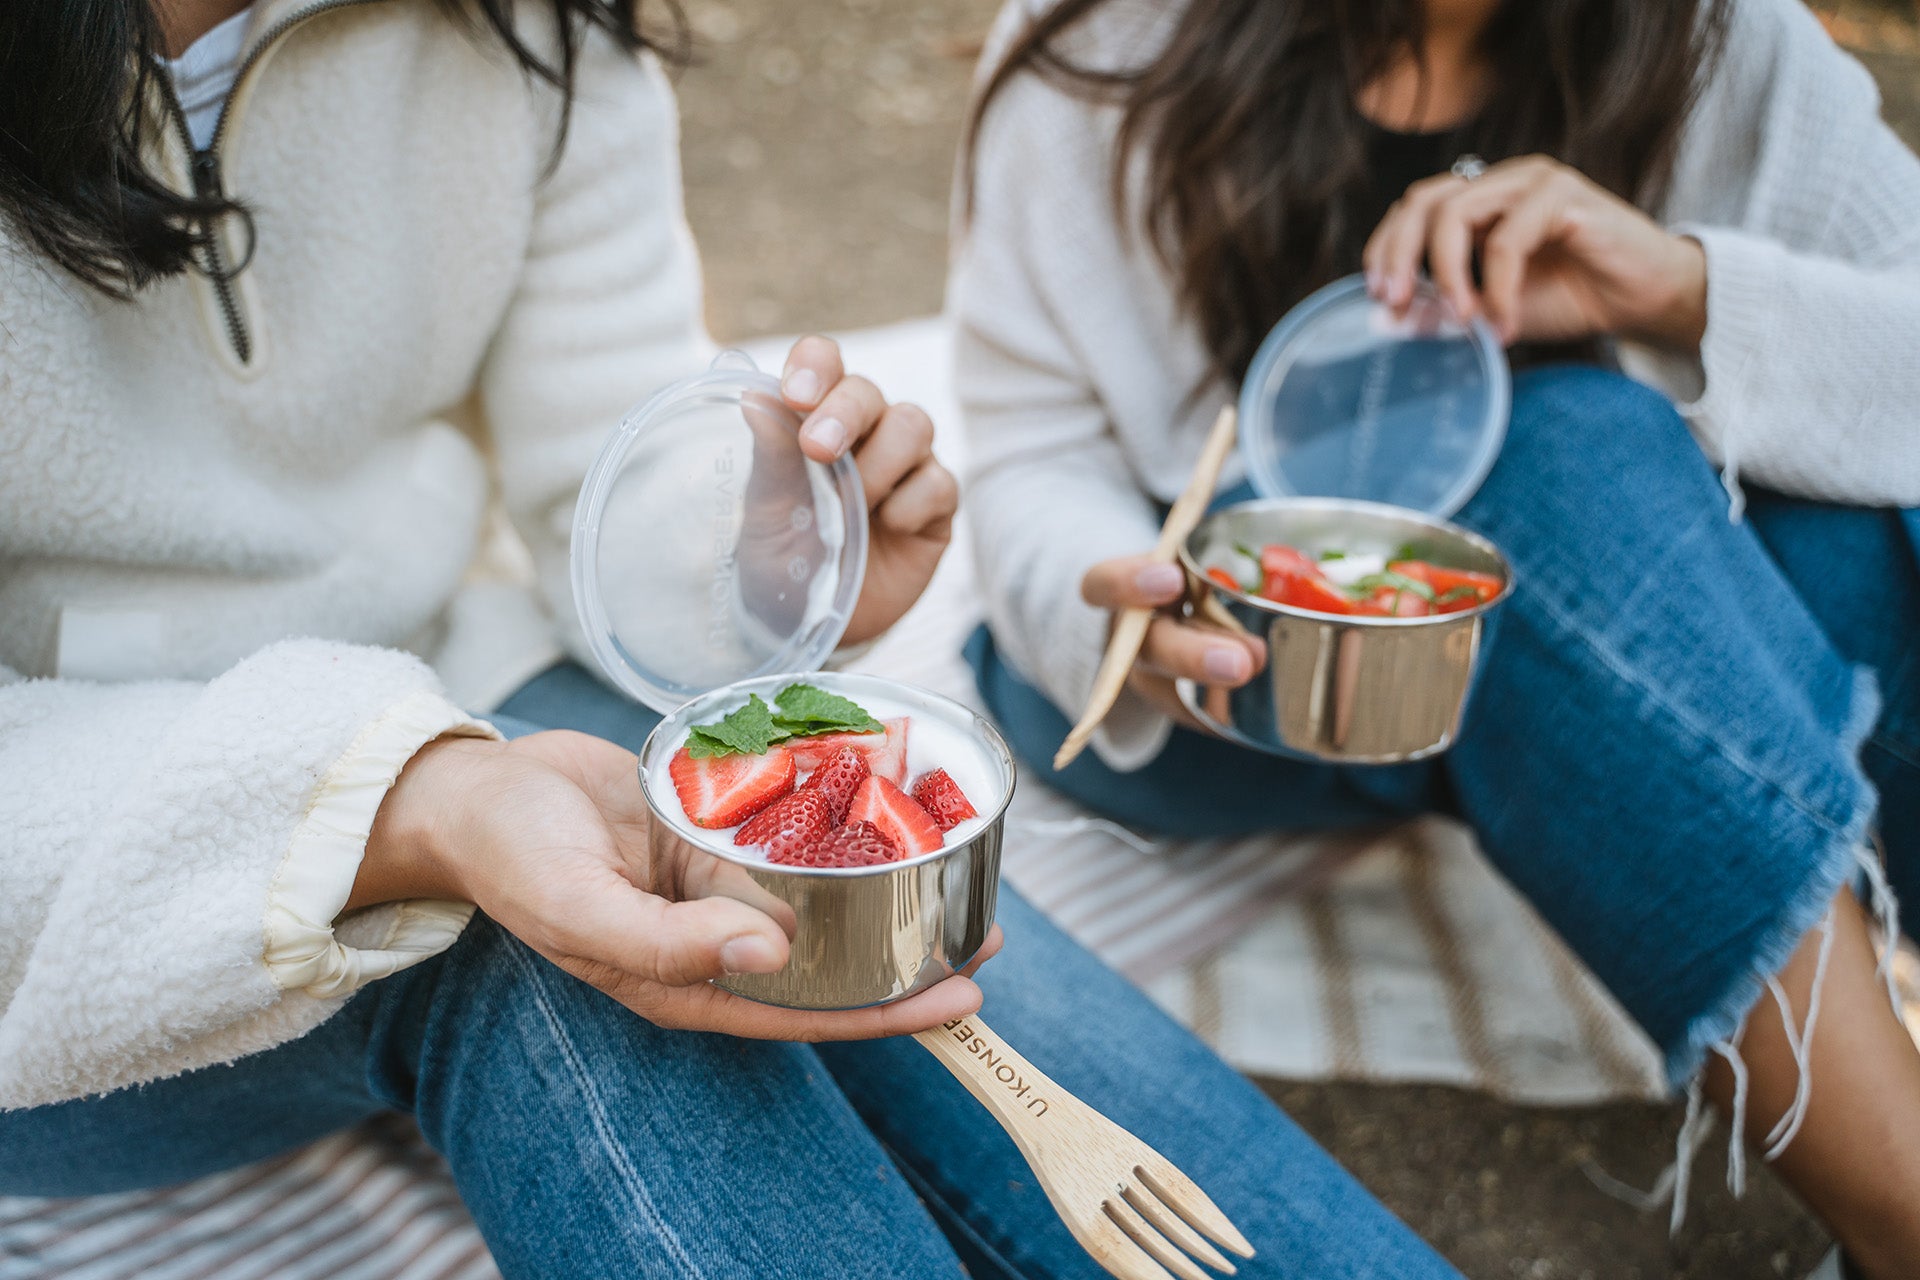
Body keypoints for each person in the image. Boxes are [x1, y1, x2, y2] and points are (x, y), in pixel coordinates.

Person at [0, 0, 1472, 1275]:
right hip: (65, 906)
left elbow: (602, 475)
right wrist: (394, 802)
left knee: (883, 928)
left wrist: (768, 562)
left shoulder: (535, 27)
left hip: (471, 684)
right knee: (535, 935)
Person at [953, 0, 1920, 1276]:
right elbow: (1025, 457)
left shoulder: (1723, 41)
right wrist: (1124, 604)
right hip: (1223, 678)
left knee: (1843, 533)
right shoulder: (1108, 39)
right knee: (1560, 444)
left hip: (1583, 647)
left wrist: (1685, 289)